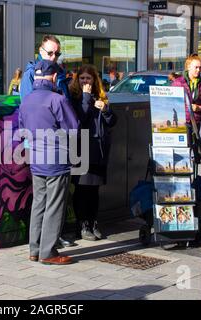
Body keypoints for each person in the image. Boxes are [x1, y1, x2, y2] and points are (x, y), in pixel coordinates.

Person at [18, 60, 79, 265]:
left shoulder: (26, 100)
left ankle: (34, 249)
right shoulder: (57, 99)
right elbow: (73, 127)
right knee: (54, 206)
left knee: (39, 204)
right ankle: (49, 253)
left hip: (36, 159)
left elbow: (22, 130)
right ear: (53, 77)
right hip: (56, 159)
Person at [68, 64, 116, 241]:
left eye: (88, 78)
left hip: (98, 149)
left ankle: (93, 221)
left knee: (94, 190)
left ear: (94, 80)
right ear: (77, 80)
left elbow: (112, 122)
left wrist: (106, 109)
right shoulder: (74, 97)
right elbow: (80, 118)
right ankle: (82, 225)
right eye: (82, 78)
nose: (85, 81)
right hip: (81, 149)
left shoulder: (101, 97)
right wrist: (86, 98)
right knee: (81, 190)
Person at [171, 54, 201, 157]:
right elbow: (171, 101)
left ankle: (195, 166)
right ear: (189, 67)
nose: (198, 70)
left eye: (200, 67)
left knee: (195, 149)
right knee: (186, 147)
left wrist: (200, 107)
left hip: (197, 120)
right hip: (182, 120)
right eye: (196, 67)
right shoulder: (178, 82)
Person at [19, 35, 69, 102]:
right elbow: (28, 106)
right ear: (41, 50)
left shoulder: (60, 73)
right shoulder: (30, 73)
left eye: (57, 54)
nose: (54, 56)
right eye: (50, 53)